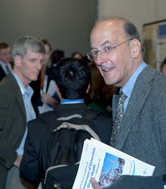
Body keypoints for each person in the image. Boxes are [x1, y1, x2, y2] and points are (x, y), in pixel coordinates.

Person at [88, 17, 166, 188]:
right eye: (95, 52)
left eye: (108, 48)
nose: (99, 60)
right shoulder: (120, 95)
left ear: (134, 48)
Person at [20, 58, 112, 187]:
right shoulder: (106, 125)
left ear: (57, 89)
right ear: (87, 88)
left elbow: (29, 173)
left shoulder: (37, 126)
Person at [0, 36, 45, 189]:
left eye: (41, 61)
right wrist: (15, 159)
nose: (38, 66)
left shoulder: (23, 91)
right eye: (33, 60)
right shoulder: (6, 90)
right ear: (18, 60)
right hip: (9, 172)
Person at [30, 38, 59, 115]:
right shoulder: (29, 75)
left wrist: (52, 101)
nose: (43, 56)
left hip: (50, 118)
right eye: (41, 52)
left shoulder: (55, 75)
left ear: (50, 54)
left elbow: (62, 103)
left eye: (46, 53)